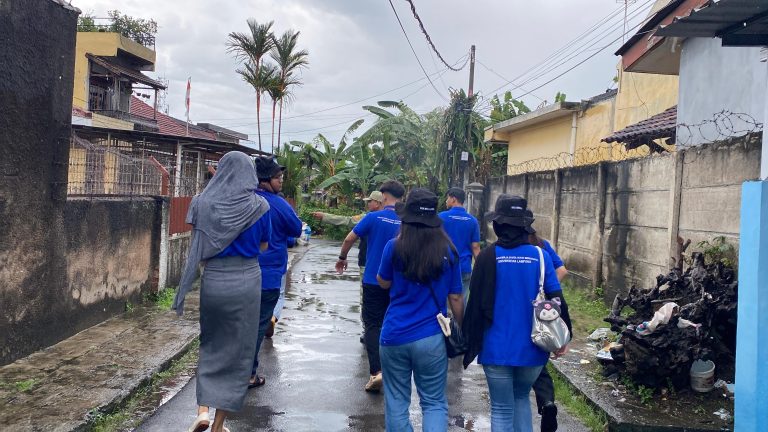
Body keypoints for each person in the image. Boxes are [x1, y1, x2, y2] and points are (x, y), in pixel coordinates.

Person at [172, 151, 272, 432]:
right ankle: (217, 425)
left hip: (214, 279)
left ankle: (202, 411)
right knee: (238, 354)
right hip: (247, 280)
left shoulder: (202, 203)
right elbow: (265, 246)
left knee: (211, 344)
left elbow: (200, 243)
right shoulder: (260, 206)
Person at [462, 195, 572, 432]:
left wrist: (468, 341)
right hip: (533, 349)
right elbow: (557, 299)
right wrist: (565, 336)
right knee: (521, 398)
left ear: (498, 224)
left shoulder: (487, 257)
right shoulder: (541, 256)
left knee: (501, 408)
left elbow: (474, 304)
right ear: (525, 225)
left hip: (496, 348)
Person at [376, 188, 465, 431]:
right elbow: (456, 297)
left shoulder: (393, 247)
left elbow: (383, 281)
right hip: (431, 337)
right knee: (434, 402)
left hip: (394, 334)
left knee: (396, 402)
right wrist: (462, 327)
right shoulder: (448, 251)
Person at [336, 180, 405, 392]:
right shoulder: (406, 221)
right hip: (399, 283)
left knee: (373, 326)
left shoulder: (373, 217)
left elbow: (349, 238)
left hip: (373, 281)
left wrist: (342, 257)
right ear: (401, 198)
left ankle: (376, 372)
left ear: (384, 197)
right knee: (391, 324)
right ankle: (394, 373)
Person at [249, 155, 303, 389]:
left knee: (241, 324)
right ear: (264, 180)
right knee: (258, 326)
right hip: (269, 275)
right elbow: (296, 229)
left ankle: (235, 370)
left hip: (240, 271)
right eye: (277, 177)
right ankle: (249, 373)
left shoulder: (243, 199)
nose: (281, 180)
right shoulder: (279, 204)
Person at [528, 224, 568, 432]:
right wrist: (544, 288)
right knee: (539, 359)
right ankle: (547, 402)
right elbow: (562, 270)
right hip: (542, 312)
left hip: (521, 312)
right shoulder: (543, 246)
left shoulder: (513, 249)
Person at [313, 190, 385, 271]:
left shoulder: (367, 217)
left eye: (370, 201)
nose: (368, 203)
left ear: (377, 203)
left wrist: (325, 216)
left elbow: (348, 225)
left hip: (367, 264)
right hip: (385, 266)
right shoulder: (394, 219)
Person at [439, 187, 481, 300]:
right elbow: (476, 247)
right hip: (464, 267)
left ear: (453, 199)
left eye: (447, 198)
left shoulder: (441, 217)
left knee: (441, 300)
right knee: (462, 302)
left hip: (443, 266)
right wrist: (481, 268)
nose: (446, 201)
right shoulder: (472, 221)